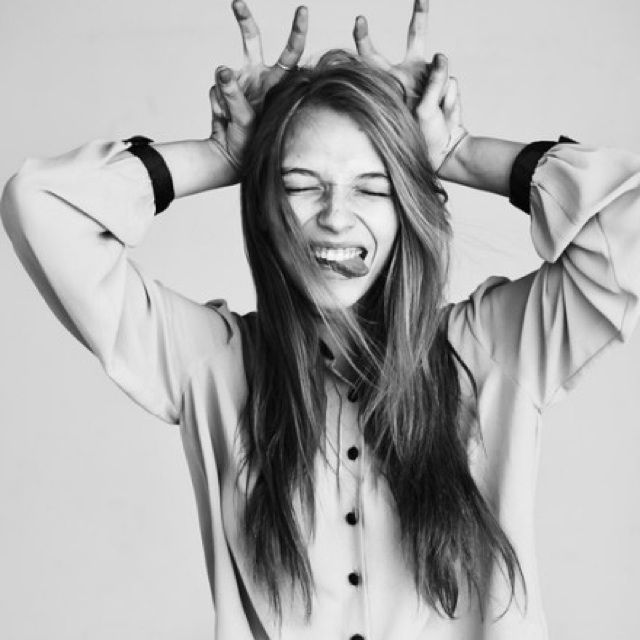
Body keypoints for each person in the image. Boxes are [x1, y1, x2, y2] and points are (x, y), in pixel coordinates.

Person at [2, 0, 640, 638]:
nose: (336, 216)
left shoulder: (493, 351)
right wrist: (224, 155)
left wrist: (459, 153)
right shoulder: (214, 367)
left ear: (407, 210)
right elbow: (41, 206)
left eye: (372, 187)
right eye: (302, 185)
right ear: (265, 210)